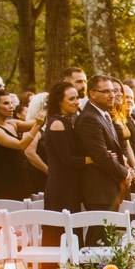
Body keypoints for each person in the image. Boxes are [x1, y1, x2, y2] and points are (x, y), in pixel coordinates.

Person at [76, 76, 133, 245]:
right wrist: (125, 174)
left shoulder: (103, 115)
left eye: (113, 91)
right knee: (97, 240)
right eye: (106, 91)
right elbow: (101, 156)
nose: (112, 95)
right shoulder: (89, 118)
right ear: (92, 94)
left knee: (106, 239)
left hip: (108, 187)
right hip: (98, 189)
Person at [43, 82, 92, 244]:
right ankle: (57, 268)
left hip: (70, 183)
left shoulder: (68, 121)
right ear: (59, 101)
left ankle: (72, 266)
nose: (76, 102)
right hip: (61, 186)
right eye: (71, 98)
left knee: (72, 229)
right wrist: (92, 160)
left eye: (77, 98)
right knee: (61, 230)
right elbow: (67, 159)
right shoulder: (57, 124)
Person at [0, 89, 44, 200]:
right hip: (5, 180)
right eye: (6, 103)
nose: (11, 106)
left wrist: (46, 108)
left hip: (21, 177)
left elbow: (36, 122)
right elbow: (21, 145)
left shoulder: (12, 123)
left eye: (11, 103)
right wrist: (37, 125)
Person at [23, 92, 50, 196]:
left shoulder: (48, 126)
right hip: (38, 175)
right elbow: (30, 153)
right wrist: (48, 170)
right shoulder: (33, 127)